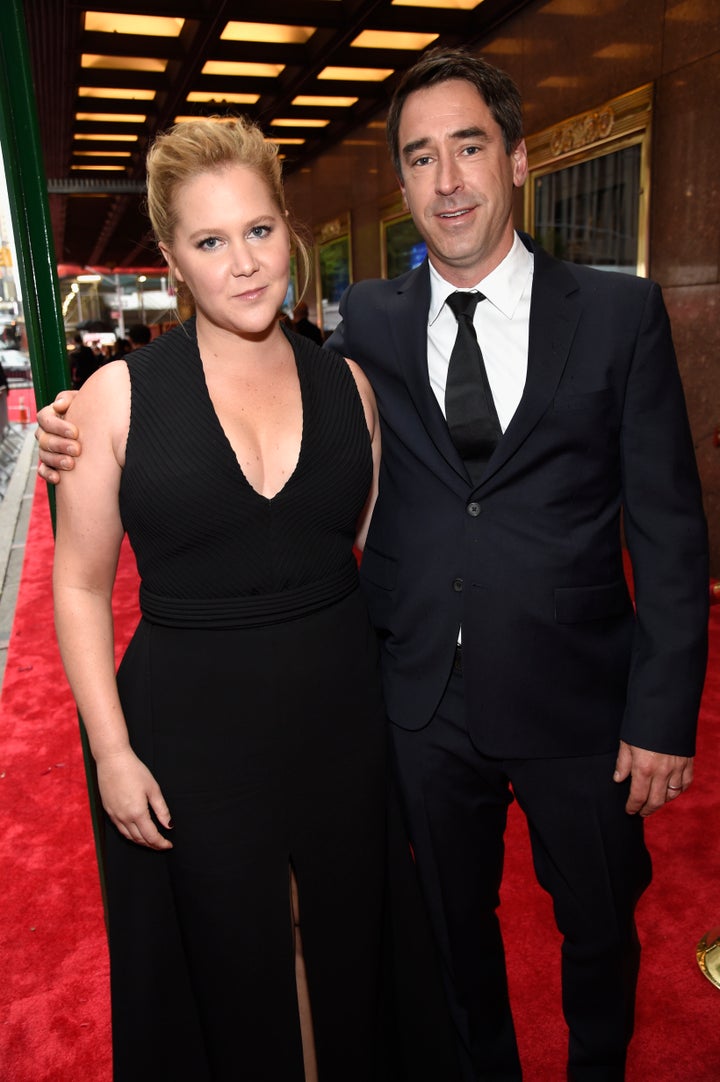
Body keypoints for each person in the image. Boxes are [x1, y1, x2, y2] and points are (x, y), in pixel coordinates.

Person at [36, 49, 709, 1081]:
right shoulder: (371, 328)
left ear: (519, 158)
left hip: (566, 697)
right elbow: (120, 560)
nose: (447, 181)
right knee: (440, 940)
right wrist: (67, 428)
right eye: (421, 158)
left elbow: (669, 526)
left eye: (469, 148)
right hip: (407, 709)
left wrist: (661, 712)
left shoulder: (608, 318)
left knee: (593, 930)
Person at [50, 114, 429, 1082]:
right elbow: (82, 583)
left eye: (259, 230)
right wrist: (111, 750)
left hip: (342, 717)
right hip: (189, 731)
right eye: (211, 241)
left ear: (289, 230)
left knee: (343, 941)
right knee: (228, 959)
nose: (245, 264)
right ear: (173, 256)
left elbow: (368, 549)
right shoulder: (114, 400)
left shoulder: (351, 386)